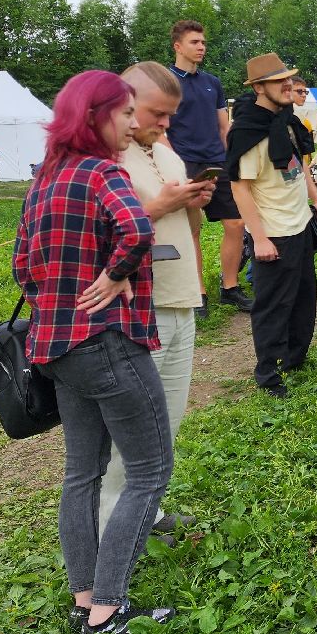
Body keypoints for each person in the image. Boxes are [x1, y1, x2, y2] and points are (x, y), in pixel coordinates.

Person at [13, 70, 174, 634]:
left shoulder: (45, 179)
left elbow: (21, 268)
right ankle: (109, 607)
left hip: (54, 348)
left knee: (81, 473)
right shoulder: (104, 171)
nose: (134, 124)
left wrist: (75, 286)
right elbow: (138, 231)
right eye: (125, 113)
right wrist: (113, 275)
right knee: (151, 469)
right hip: (107, 343)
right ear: (95, 116)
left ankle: (84, 596)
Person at [97, 62, 214, 542]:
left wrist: (193, 202)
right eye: (157, 113)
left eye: (172, 115)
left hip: (179, 298)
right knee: (130, 429)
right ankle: (109, 526)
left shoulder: (164, 153)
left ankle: (146, 509)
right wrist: (159, 206)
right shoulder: (104, 156)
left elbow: (185, 228)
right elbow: (94, 232)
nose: (166, 124)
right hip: (137, 308)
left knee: (166, 421)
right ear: (124, 102)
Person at [226, 53, 317, 398]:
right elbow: (239, 186)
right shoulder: (248, 130)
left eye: (289, 78)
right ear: (258, 87)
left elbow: (300, 168)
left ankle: (295, 359)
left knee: (304, 299)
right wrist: (259, 237)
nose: (287, 85)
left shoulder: (287, 120)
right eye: (278, 81)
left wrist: (316, 201)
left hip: (299, 224)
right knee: (273, 306)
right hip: (273, 233)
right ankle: (268, 375)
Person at [166, 20, 251, 316]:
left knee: (236, 224)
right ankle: (197, 293)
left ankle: (230, 288)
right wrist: (169, 164)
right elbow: (160, 128)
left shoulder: (211, 82)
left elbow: (223, 126)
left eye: (203, 42)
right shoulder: (166, 81)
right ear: (178, 46)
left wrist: (232, 157)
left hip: (217, 161)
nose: (201, 47)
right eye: (194, 42)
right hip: (184, 163)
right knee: (192, 230)